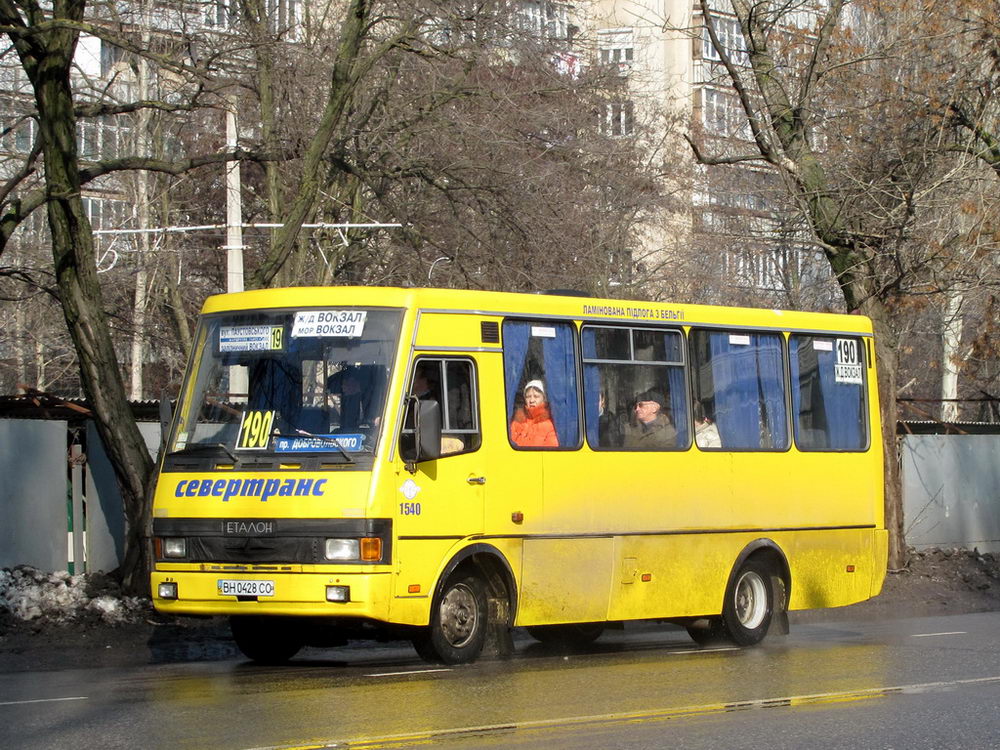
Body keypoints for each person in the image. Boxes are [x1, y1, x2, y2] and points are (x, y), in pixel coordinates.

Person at [510, 379, 559, 447]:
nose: (531, 400)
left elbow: (551, 451)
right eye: (528, 397)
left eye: (536, 396)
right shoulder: (517, 421)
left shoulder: (550, 425)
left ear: (544, 398)